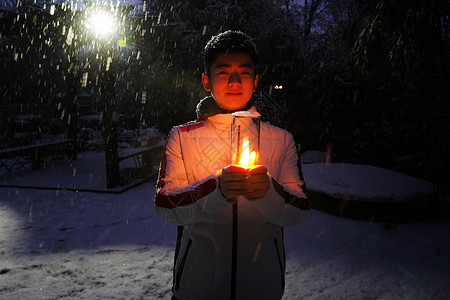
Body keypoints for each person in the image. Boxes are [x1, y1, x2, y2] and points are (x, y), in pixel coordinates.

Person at [154, 30, 310, 300]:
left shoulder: (281, 139)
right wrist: (217, 190)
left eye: (245, 72)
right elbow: (165, 205)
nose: (235, 81)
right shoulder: (182, 136)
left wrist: (268, 193)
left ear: (256, 79)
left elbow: (300, 209)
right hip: (198, 287)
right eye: (224, 72)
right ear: (207, 80)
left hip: (262, 287)